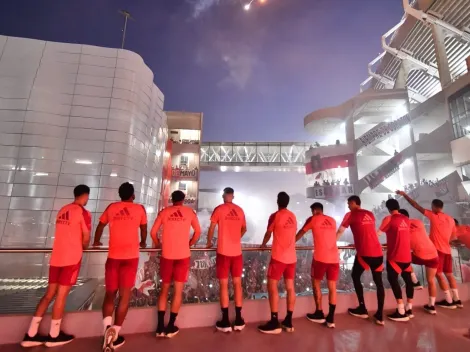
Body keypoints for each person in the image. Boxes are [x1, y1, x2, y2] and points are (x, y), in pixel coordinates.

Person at [21, 185, 91, 348]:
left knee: (49, 294)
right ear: (85, 195)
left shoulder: (62, 210)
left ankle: (30, 334)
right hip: (71, 259)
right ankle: (54, 335)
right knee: (61, 296)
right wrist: (84, 246)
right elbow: (86, 236)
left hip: (56, 258)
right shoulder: (83, 213)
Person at [93, 182, 147, 351]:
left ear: (120, 194)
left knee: (110, 294)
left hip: (113, 257)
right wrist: (143, 242)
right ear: (133, 195)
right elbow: (144, 229)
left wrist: (96, 241)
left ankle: (106, 329)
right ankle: (115, 334)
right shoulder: (139, 209)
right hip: (130, 257)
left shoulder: (112, 207)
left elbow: (100, 225)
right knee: (124, 297)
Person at [397, 191, 462, 309]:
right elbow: (453, 237)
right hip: (447, 250)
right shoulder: (451, 219)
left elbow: (416, 206)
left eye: (431, 207)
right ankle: (456, 299)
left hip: (436, 250)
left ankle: (448, 301)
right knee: (449, 275)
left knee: (438, 276)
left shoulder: (434, 215)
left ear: (434, 207)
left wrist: (405, 195)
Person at [151, 190, 201, 338]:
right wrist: (190, 244)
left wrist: (159, 244)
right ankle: (171, 326)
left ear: (172, 199)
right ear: (183, 200)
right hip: (183, 255)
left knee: (164, 289)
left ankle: (160, 327)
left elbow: (153, 232)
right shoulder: (189, 212)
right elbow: (197, 232)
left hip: (167, 255)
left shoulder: (164, 212)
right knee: (178, 291)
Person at [337, 195, 385, 326]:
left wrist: (330, 244)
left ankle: (362, 308)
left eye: (348, 203)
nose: (348, 206)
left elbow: (340, 231)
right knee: (379, 283)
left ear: (353, 203)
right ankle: (380, 315)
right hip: (378, 252)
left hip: (365, 253)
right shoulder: (370, 214)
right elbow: (366, 232)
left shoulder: (350, 214)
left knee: (355, 276)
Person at [207, 187, 247, 332]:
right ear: (233, 196)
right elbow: (244, 229)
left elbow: (211, 228)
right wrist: (236, 238)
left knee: (224, 285)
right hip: (237, 252)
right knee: (237, 284)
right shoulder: (240, 210)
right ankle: (238, 319)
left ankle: (225, 321)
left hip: (223, 252)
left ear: (224, 196)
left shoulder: (219, 209)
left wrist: (209, 242)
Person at [258, 192, 297, 334]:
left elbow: (269, 233)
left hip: (279, 257)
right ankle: (288, 320)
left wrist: (263, 244)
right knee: (290, 288)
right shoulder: (293, 216)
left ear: (277, 201)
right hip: (292, 258)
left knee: (272, 285)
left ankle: (274, 321)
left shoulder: (275, 216)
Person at [296, 202, 338, 328]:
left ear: (314, 210)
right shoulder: (332, 220)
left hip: (320, 258)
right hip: (334, 258)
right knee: (332, 286)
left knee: (316, 283)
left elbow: (301, 233)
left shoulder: (313, 219)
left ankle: (319, 312)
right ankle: (331, 318)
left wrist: (289, 242)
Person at [377, 200, 413, 322]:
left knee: (393, 280)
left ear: (388, 208)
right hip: (407, 256)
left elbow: (377, 234)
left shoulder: (389, 219)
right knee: (408, 280)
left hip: (395, 256)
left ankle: (401, 310)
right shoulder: (406, 219)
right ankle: (409, 308)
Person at [398, 209, 439, 314]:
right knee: (431, 280)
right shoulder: (418, 222)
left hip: (420, 255)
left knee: (402, 258)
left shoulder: (401, 228)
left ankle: (415, 281)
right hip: (434, 254)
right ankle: (431, 306)